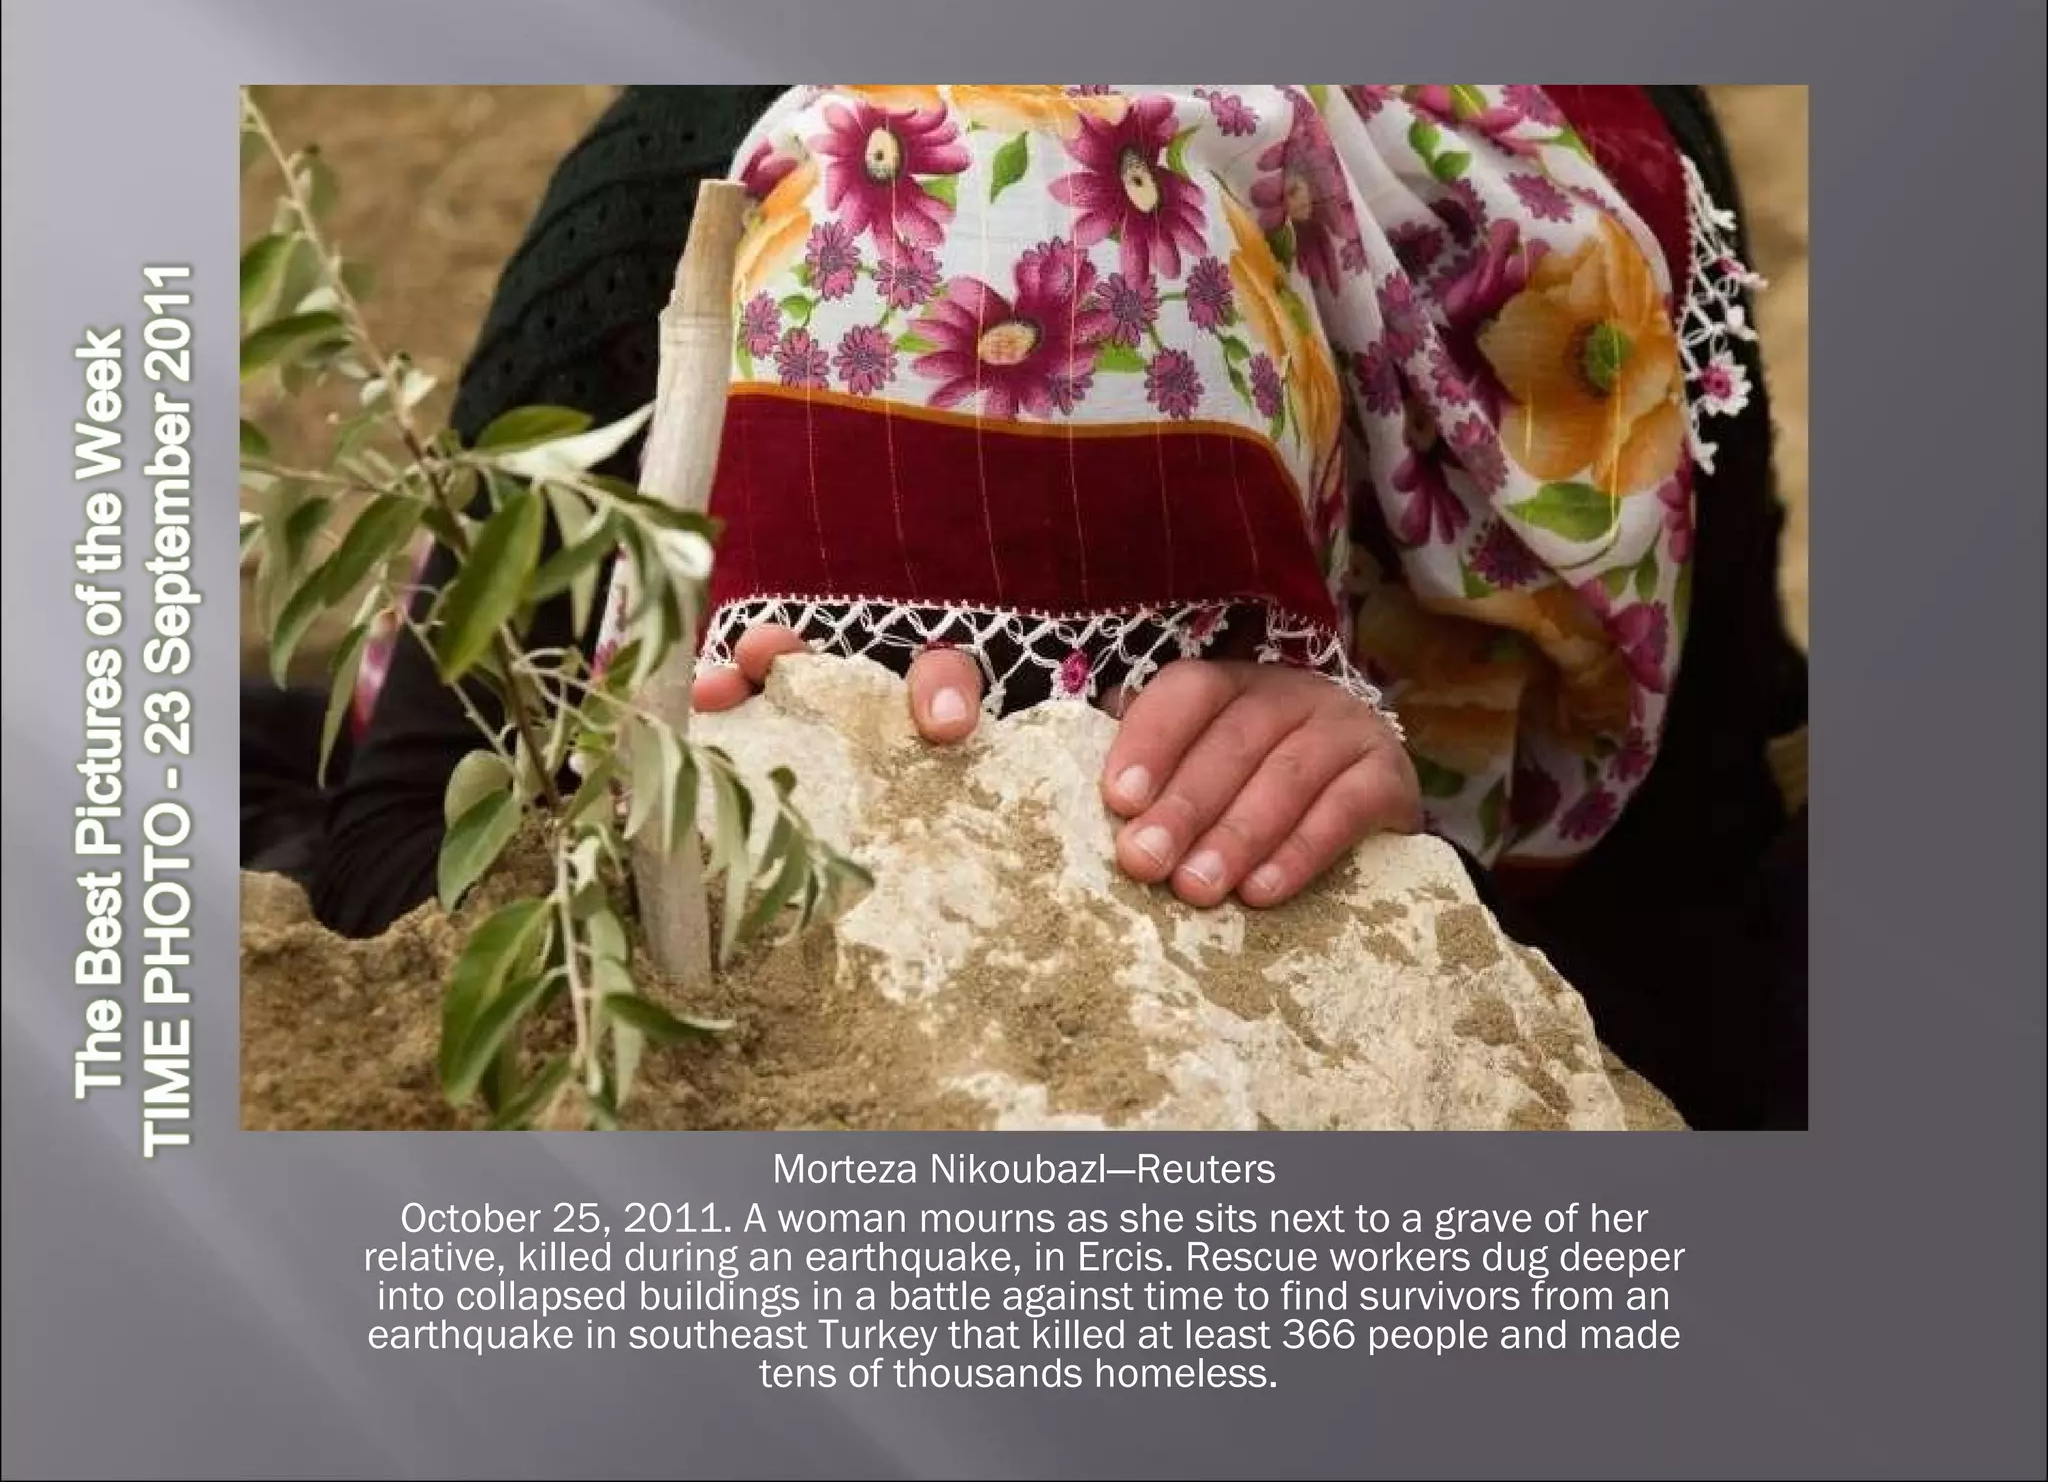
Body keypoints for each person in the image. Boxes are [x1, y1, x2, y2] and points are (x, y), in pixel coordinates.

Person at [244, 86, 1807, 1130]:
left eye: (1094, 679)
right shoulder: (669, 207)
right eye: (863, 656)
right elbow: (399, 848)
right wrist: (629, 766)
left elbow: (1701, 901)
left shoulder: (1581, 277)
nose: (968, 740)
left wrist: (1408, 833)